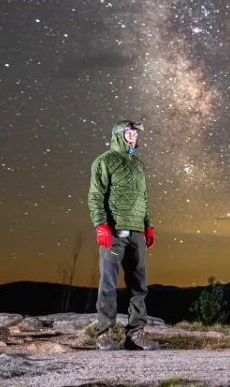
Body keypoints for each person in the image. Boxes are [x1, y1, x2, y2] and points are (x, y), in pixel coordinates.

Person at [88, 119, 158, 351]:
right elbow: (96, 196)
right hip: (114, 231)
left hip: (137, 231)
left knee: (139, 285)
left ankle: (135, 334)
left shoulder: (138, 165)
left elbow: (144, 199)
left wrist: (148, 225)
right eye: (130, 133)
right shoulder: (104, 161)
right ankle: (104, 334)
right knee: (108, 283)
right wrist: (100, 225)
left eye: (136, 133)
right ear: (119, 134)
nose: (134, 137)